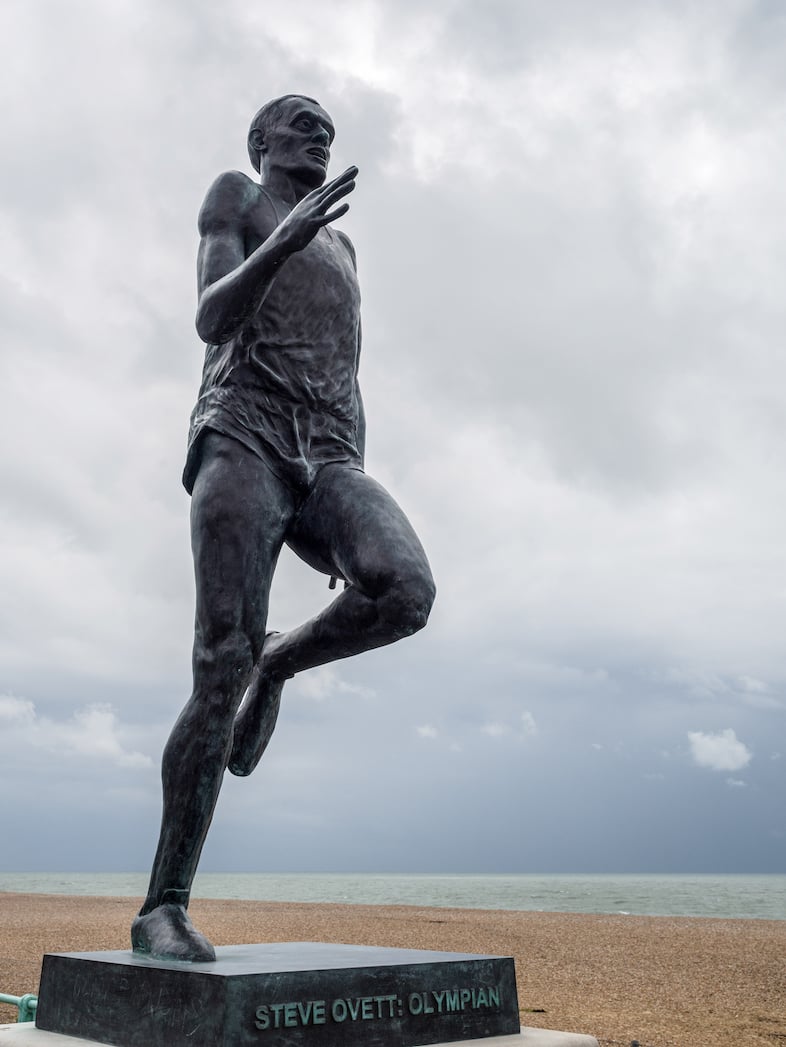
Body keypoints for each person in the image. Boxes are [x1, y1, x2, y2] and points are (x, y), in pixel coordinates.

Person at [131, 95, 435, 962]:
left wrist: (348, 478)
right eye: (299, 122)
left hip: (329, 453)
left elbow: (345, 361)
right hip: (242, 435)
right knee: (217, 661)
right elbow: (210, 317)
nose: (319, 132)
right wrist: (281, 240)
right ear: (262, 143)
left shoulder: (344, 245)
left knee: (404, 589)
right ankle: (163, 905)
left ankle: (283, 658)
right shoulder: (240, 196)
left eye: (326, 126)